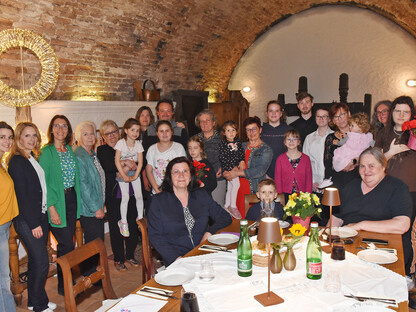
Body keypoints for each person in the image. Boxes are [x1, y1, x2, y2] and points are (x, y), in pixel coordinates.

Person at [331, 147, 412, 274]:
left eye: (371, 166)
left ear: (383, 166)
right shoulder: (351, 186)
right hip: (350, 247)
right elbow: (336, 218)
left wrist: (361, 225)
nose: (366, 170)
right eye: (362, 166)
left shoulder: (397, 188)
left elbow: (402, 225)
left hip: (383, 251)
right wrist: (330, 237)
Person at [147, 157, 232, 266]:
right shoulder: (158, 201)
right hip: (177, 258)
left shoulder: (201, 195)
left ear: (191, 176)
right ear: (170, 177)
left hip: (203, 253)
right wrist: (176, 259)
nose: (181, 175)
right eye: (176, 172)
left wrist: (209, 232)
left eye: (185, 171)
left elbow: (225, 217)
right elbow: (155, 235)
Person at [7, 123, 56, 312]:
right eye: (27, 136)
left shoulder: (31, 157)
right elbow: (23, 196)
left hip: (40, 215)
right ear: (19, 137)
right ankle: (39, 306)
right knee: (42, 260)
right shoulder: (17, 161)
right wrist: (34, 223)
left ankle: (34, 300)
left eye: (34, 135)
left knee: (36, 261)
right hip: (28, 220)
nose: (32, 139)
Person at [39, 115, 81, 296]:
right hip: (56, 202)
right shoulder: (46, 152)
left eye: (64, 126)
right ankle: (65, 285)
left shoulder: (69, 150)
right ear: (51, 129)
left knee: (68, 243)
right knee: (66, 244)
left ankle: (66, 281)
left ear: (68, 130)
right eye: (57, 125)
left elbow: (74, 178)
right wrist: (52, 207)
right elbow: (44, 183)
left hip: (70, 198)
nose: (60, 129)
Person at [375, 96, 416, 273]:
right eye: (397, 111)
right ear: (392, 113)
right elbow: (373, 163)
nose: (401, 115)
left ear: (411, 114)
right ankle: (383, 270)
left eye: (405, 111)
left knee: (404, 234)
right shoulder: (384, 133)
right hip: (387, 190)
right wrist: (390, 153)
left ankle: (404, 273)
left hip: (411, 190)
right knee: (383, 230)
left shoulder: (414, 132)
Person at [97, 120, 139, 272]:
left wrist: (124, 167)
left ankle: (130, 254)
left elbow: (141, 160)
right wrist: (129, 163)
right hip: (114, 195)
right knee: (117, 227)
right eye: (108, 133)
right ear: (103, 136)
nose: (112, 135)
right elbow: (109, 166)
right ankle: (119, 258)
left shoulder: (128, 145)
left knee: (132, 224)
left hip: (132, 190)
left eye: (114, 131)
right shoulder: (102, 150)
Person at [223, 116, 273, 218]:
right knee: (236, 223)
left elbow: (260, 170)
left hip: (253, 192)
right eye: (248, 130)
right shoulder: (240, 146)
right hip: (236, 191)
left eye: (254, 129)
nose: (251, 132)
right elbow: (228, 160)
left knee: (251, 222)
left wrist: (237, 173)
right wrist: (226, 172)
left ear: (260, 130)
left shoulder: (266, 149)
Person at [73, 121, 105, 275]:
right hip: (89, 209)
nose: (90, 136)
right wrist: (96, 207)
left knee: (96, 241)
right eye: (85, 134)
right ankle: (88, 275)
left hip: (97, 205)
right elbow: (83, 185)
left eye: (92, 133)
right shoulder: (80, 156)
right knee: (94, 243)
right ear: (78, 137)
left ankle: (93, 273)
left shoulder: (91, 154)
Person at [0, 122, 18, 312]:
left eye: (9, 137)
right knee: (3, 281)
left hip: (5, 227)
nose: (7, 141)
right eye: (2, 137)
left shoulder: (3, 162)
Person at [114, 118, 144, 237]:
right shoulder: (121, 143)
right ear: (126, 130)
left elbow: (140, 163)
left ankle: (140, 217)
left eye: (137, 130)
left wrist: (136, 175)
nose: (135, 133)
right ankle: (123, 221)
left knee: (139, 195)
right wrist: (124, 175)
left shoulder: (138, 144)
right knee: (125, 196)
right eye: (132, 130)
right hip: (123, 173)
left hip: (135, 172)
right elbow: (117, 161)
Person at [323, 103, 358, 191]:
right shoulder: (330, 138)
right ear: (333, 120)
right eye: (336, 116)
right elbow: (327, 163)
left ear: (349, 114)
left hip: (356, 178)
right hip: (337, 179)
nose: (340, 119)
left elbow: (367, 155)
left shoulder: (358, 135)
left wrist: (353, 162)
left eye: (342, 114)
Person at [146, 120, 187, 194]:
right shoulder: (152, 149)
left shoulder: (179, 147)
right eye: (161, 131)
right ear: (157, 133)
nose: (164, 134)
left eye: (167, 131)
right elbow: (149, 171)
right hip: (158, 191)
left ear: (172, 132)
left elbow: (184, 169)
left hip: (176, 190)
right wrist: (156, 189)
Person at [195, 109, 225, 207]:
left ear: (214, 123)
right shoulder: (195, 139)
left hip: (218, 179)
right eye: (202, 121)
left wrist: (223, 167)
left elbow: (231, 157)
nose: (205, 123)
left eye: (208, 120)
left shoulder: (222, 138)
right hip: (200, 181)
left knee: (217, 208)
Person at [219, 121, 245, 219]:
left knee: (230, 186)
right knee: (236, 184)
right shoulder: (223, 144)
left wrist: (242, 160)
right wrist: (231, 166)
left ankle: (226, 205)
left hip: (236, 167)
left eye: (233, 130)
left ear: (236, 132)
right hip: (228, 167)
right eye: (228, 130)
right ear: (224, 133)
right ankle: (233, 206)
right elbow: (222, 157)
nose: (231, 132)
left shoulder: (238, 142)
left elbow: (241, 153)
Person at [303, 108, 333, 191]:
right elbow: (305, 161)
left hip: (331, 181)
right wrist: (311, 181)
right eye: (318, 116)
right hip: (314, 182)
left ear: (329, 119)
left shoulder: (335, 137)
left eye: (324, 116)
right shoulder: (309, 138)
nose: (321, 119)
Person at [274, 129, 312, 196]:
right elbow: (278, 180)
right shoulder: (280, 159)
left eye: (294, 139)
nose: (291, 142)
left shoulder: (306, 159)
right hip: (285, 195)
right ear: (285, 142)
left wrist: (308, 196)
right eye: (288, 139)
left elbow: (308, 180)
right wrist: (280, 196)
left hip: (302, 196)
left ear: (299, 142)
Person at [261, 100, 292, 179]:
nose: (273, 114)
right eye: (271, 111)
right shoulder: (260, 130)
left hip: (285, 174)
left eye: (277, 111)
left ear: (281, 113)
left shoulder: (289, 130)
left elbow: (294, 153)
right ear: (267, 113)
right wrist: (264, 174)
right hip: (264, 175)